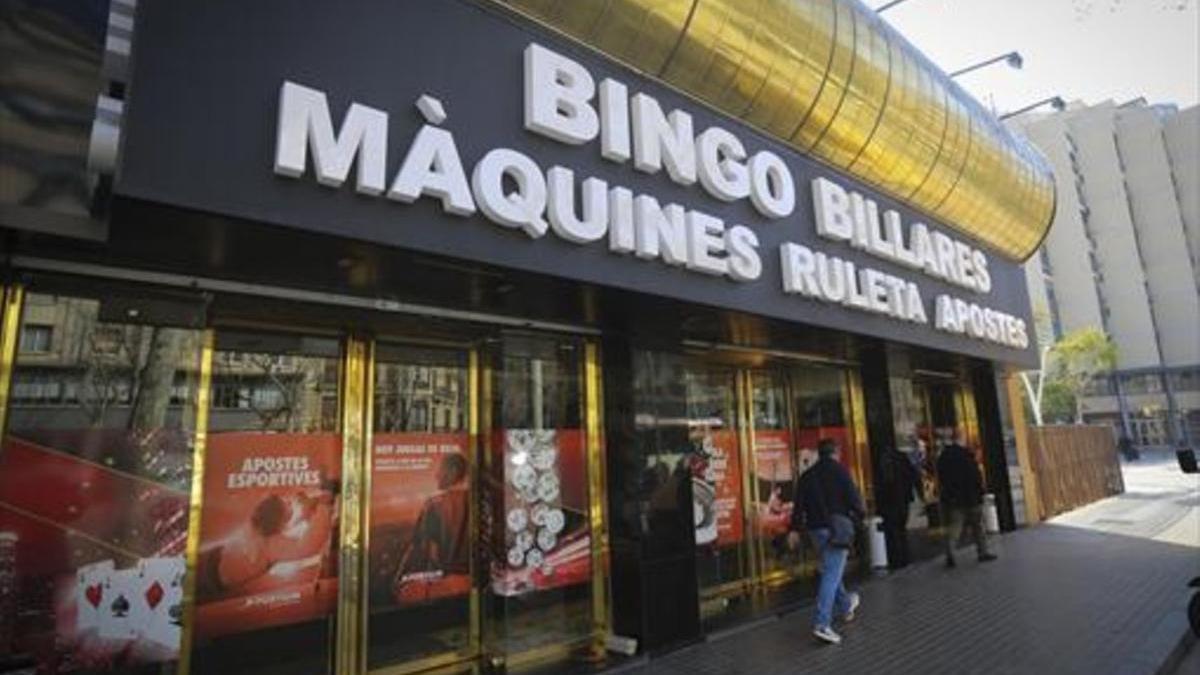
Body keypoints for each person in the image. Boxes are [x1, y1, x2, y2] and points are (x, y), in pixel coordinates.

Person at [787, 439, 865, 645]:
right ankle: (822, 624)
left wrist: (794, 529)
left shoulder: (807, 476)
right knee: (831, 574)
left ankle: (847, 604)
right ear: (836, 452)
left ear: (819, 454)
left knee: (831, 569)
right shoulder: (840, 472)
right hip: (836, 531)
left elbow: (798, 506)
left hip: (815, 530)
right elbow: (855, 500)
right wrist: (860, 516)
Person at [936, 430, 996, 568]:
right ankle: (982, 552)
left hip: (953, 499)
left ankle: (950, 553)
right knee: (978, 527)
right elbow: (975, 476)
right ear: (961, 439)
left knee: (954, 528)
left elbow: (941, 477)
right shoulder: (967, 455)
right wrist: (980, 492)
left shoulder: (944, 456)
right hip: (971, 497)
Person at [878, 445, 921, 569]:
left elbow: (881, 486)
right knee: (901, 530)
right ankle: (905, 558)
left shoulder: (884, 464)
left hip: (888, 502)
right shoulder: (902, 460)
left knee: (892, 531)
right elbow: (914, 476)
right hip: (903, 500)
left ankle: (896, 559)